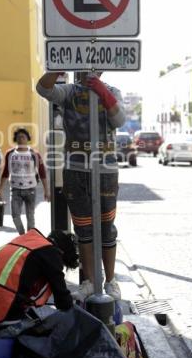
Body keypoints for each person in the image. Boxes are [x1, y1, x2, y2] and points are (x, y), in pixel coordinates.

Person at [36, 72, 126, 301]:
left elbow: (119, 120)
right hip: (75, 168)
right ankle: (89, 281)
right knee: (83, 228)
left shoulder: (113, 91)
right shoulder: (70, 91)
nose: (89, 68)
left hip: (105, 169)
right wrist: (57, 69)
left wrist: (102, 92)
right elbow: (43, 89)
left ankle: (111, 280)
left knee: (107, 228)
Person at [0, 228, 79, 336]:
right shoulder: (51, 254)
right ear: (62, 253)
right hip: (1, 325)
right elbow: (64, 303)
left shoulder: (25, 242)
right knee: (56, 324)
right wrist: (74, 299)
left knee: (33, 314)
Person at [0, 128, 50, 235]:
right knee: (15, 216)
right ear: (15, 139)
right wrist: (0, 189)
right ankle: (22, 235)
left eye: (23, 137)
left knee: (30, 216)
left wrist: (46, 190)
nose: (21, 139)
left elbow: (42, 172)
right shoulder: (10, 153)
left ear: (28, 139)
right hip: (15, 189)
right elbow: (6, 172)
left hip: (30, 189)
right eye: (18, 137)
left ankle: (30, 238)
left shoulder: (34, 154)